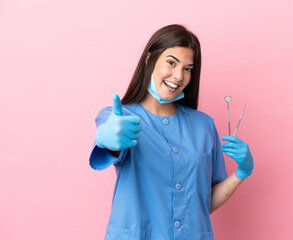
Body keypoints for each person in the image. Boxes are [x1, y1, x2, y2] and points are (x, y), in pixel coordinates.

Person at [89, 24, 254, 240]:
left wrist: (242, 172)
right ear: (150, 60)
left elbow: (203, 203)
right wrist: (109, 141)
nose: (178, 76)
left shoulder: (203, 125)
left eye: (187, 69)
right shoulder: (119, 118)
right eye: (171, 63)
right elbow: (111, 140)